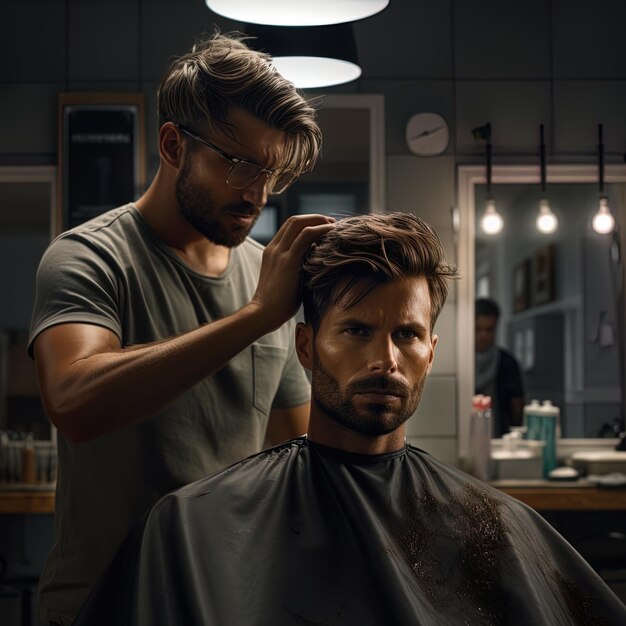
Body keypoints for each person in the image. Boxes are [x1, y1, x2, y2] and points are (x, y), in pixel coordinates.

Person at [74, 213, 626, 625]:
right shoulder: (186, 529)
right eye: (357, 331)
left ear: (431, 352)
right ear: (307, 347)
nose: (385, 360)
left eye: (406, 335)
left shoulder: (496, 525)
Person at [28, 32, 335, 625]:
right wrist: (256, 317)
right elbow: (72, 401)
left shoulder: (264, 275)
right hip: (104, 606)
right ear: (174, 145)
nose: (258, 195)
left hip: (225, 603)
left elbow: (290, 453)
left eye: (271, 174)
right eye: (240, 165)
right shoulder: (88, 257)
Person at [475, 297, 525, 437]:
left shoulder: (507, 363)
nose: (483, 335)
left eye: (489, 330)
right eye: (478, 329)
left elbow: (517, 406)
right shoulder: (461, 364)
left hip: (500, 437)